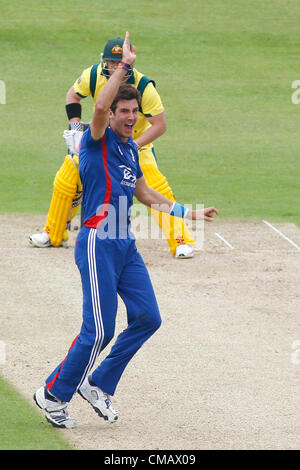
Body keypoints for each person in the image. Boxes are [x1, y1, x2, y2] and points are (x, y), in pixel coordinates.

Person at [33, 32, 219, 428]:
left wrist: (187, 213)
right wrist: (121, 69)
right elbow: (97, 105)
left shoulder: (131, 148)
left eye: (135, 111)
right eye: (124, 112)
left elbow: (145, 192)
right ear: (112, 114)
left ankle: (98, 383)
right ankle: (52, 394)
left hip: (124, 243)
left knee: (148, 318)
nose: (132, 117)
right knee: (98, 330)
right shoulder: (94, 140)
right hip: (98, 239)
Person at [29, 34, 196, 259]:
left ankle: (181, 241)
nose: (117, 67)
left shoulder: (144, 86)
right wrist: (76, 128)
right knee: (67, 176)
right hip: (102, 142)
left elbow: (160, 125)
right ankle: (54, 233)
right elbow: (72, 97)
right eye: (112, 63)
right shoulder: (92, 75)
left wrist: (132, 147)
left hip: (137, 144)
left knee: (154, 183)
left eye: (121, 63)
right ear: (103, 62)